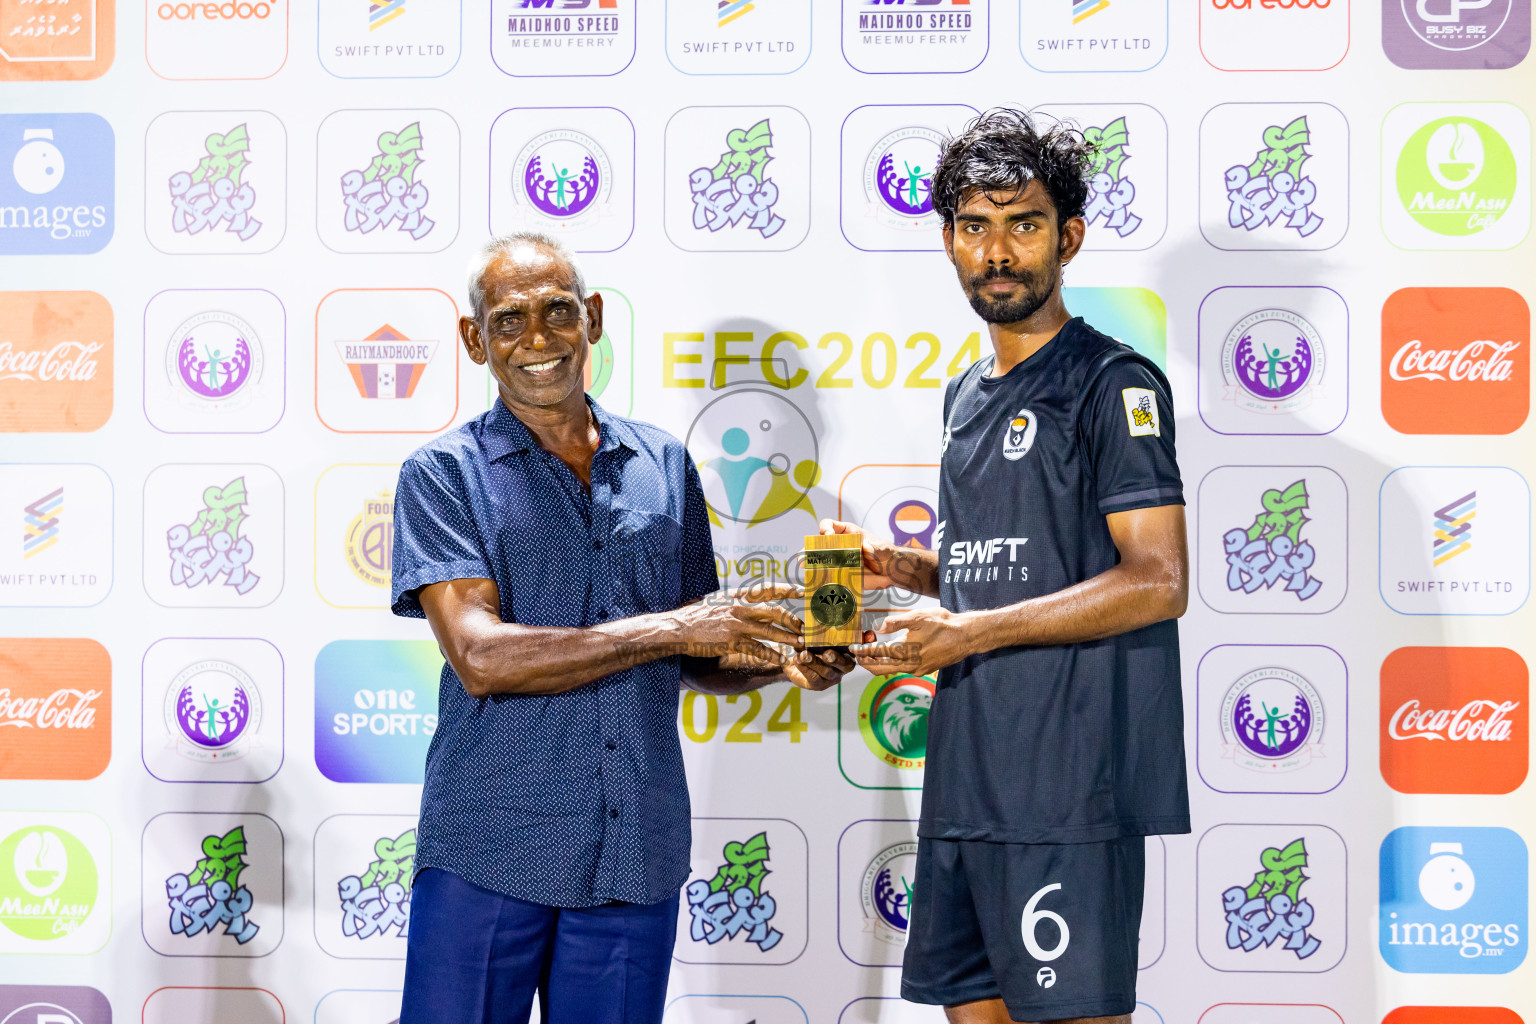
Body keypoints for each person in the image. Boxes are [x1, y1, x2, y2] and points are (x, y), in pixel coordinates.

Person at [390, 231, 852, 1024]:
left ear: (593, 319)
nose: (537, 340)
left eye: (558, 311)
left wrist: (783, 656)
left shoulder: (663, 463)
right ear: (475, 340)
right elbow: (480, 656)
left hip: (632, 846)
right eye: (509, 320)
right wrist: (673, 626)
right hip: (490, 847)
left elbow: (698, 649)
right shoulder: (442, 473)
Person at [822, 109, 1191, 1024]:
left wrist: (968, 631)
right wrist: (911, 572)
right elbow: (1020, 565)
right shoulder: (965, 393)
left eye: (1022, 224)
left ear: (1067, 237)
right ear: (948, 241)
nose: (998, 251)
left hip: (1065, 788)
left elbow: (1158, 580)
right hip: (965, 780)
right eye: (974, 227)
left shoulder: (1115, 384)